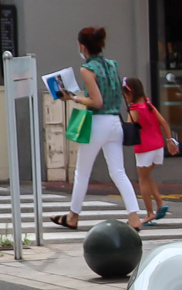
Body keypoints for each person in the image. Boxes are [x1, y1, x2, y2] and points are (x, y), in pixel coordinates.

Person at [61, 24, 143, 232]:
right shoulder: (112, 65)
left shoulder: (87, 69)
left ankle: (73, 216)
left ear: (83, 46)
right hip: (115, 123)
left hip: (98, 122)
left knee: (82, 172)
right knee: (118, 172)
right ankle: (134, 217)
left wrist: (73, 97)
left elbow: (96, 102)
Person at [122, 75, 179, 222]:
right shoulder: (148, 104)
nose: (124, 97)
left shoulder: (134, 109)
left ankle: (149, 213)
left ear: (132, 93)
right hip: (157, 146)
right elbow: (164, 122)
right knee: (147, 177)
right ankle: (160, 203)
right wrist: (169, 140)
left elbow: (128, 128)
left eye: (125, 94)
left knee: (142, 180)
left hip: (144, 147)